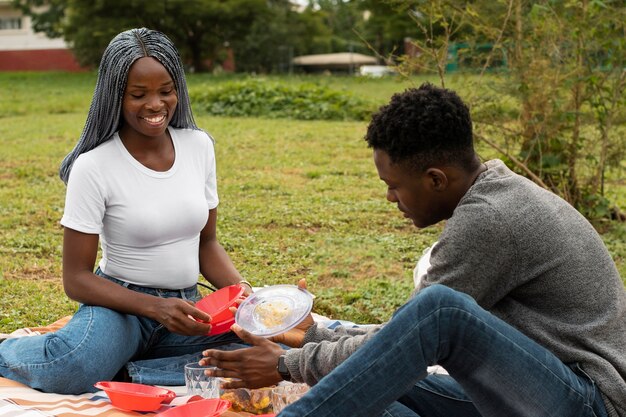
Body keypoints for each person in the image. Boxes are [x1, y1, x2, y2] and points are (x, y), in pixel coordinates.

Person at [200, 83, 626, 417]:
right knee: (367, 387)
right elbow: (403, 337)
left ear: (436, 179)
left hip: (585, 403)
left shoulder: (492, 218)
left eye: (393, 186)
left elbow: (427, 322)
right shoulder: (493, 194)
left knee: (440, 309)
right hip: (527, 389)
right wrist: (316, 337)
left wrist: (286, 365)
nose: (390, 199)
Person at [0, 28, 252, 394]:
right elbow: (76, 278)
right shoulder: (94, 166)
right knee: (71, 367)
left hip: (187, 311)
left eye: (166, 91)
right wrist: (154, 308)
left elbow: (206, 243)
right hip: (120, 308)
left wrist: (242, 293)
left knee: (263, 344)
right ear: (114, 96)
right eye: (138, 94)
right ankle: (8, 350)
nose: (155, 105)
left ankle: (130, 373)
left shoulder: (199, 147)